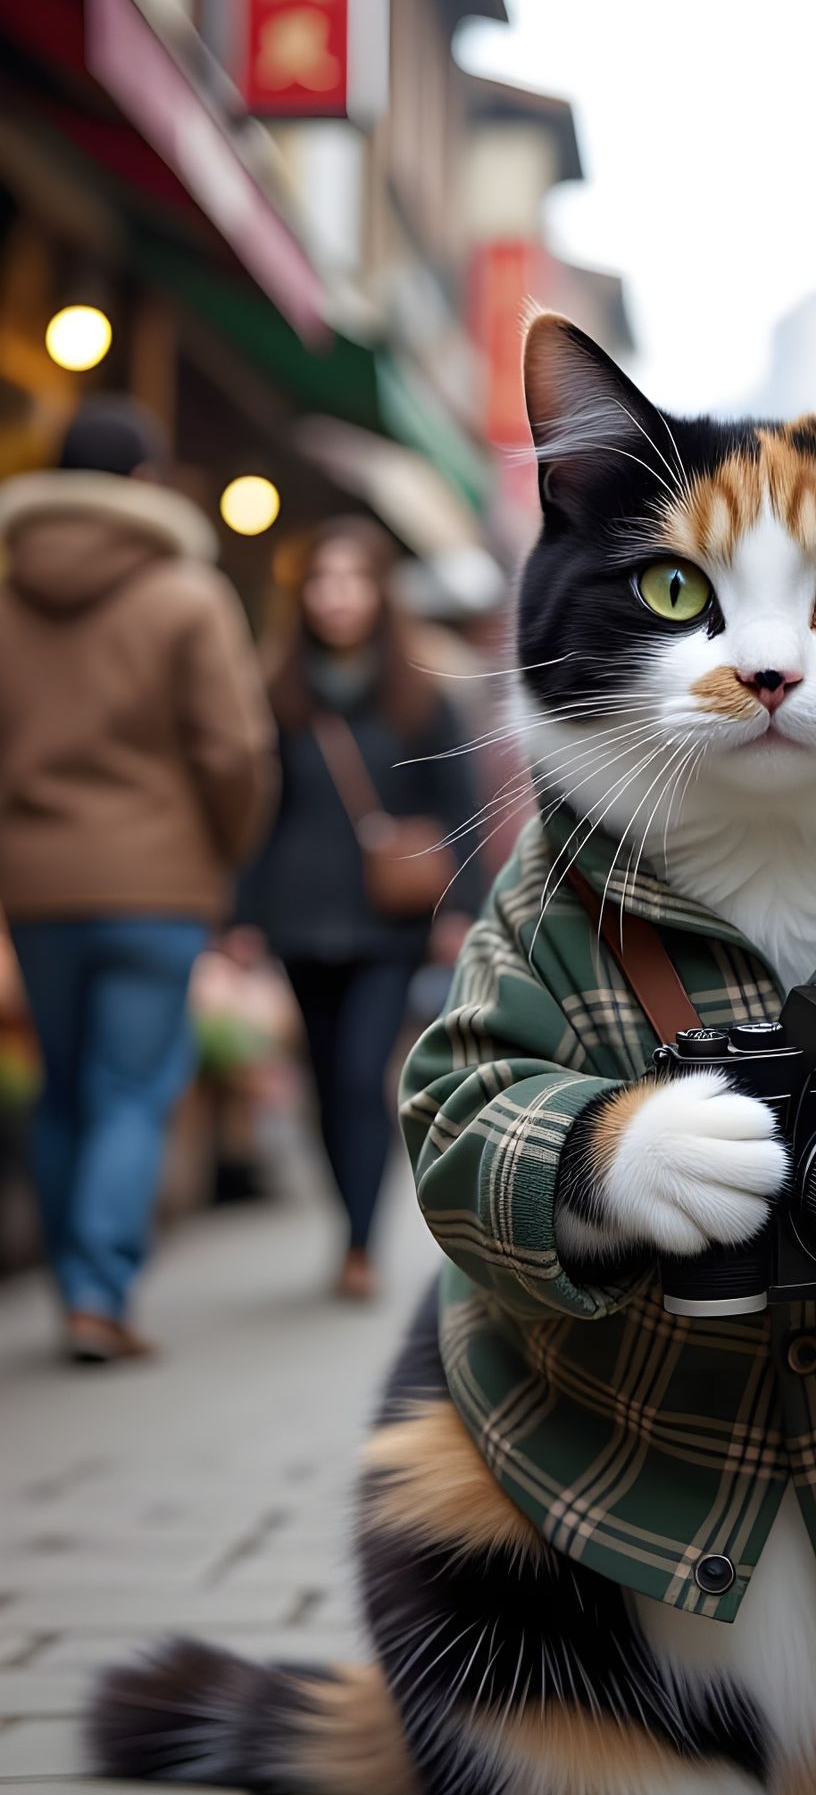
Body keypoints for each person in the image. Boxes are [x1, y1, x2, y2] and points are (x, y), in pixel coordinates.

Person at [0, 397, 276, 1362]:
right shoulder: (186, 593)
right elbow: (235, 752)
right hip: (159, 884)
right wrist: (227, 849)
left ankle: (72, 1281)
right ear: (147, 482)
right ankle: (99, 1292)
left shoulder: (8, 591)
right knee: (129, 1089)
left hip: (36, 884)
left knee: (64, 1086)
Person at [236, 517, 479, 1302]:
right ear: (301, 595)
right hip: (300, 915)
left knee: (359, 1073)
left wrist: (458, 909)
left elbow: (460, 808)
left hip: (388, 921)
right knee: (320, 1076)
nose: (336, 596)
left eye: (352, 579)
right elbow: (258, 813)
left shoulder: (420, 695)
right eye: (321, 580)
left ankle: (361, 1244)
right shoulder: (276, 694)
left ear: (380, 592)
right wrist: (241, 914)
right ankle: (348, 1221)